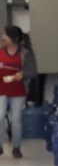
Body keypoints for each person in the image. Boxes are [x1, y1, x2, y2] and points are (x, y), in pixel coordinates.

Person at [0, 26, 36, 158]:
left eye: (5, 35)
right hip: (1, 89)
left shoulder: (25, 54)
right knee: (0, 117)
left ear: (13, 38)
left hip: (18, 91)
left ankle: (16, 147)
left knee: (16, 120)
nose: (3, 37)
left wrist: (22, 74)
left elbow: (32, 72)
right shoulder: (0, 52)